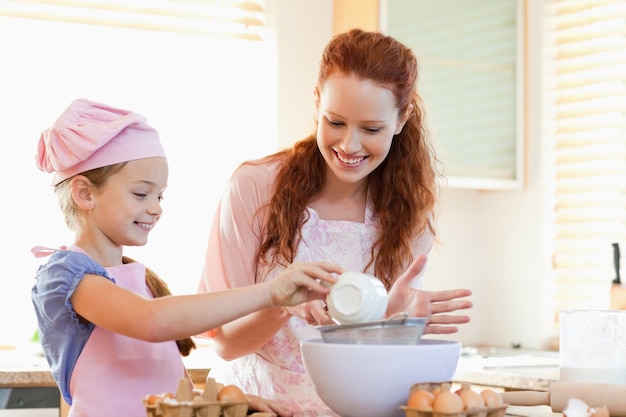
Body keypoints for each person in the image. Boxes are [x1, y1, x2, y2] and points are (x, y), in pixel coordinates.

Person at [197, 29, 473, 416]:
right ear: (316, 103)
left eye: (371, 129)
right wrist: (281, 303)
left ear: (401, 119)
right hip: (262, 408)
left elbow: (372, 365)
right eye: (336, 122)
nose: (349, 145)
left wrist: (395, 325)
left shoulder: (408, 210)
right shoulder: (255, 187)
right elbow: (226, 342)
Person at [31, 98, 343, 417]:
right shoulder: (66, 275)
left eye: (160, 195)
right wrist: (270, 293)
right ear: (85, 194)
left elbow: (163, 389)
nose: (156, 208)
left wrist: (222, 401)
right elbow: (151, 321)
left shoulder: (142, 281)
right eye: (141, 193)